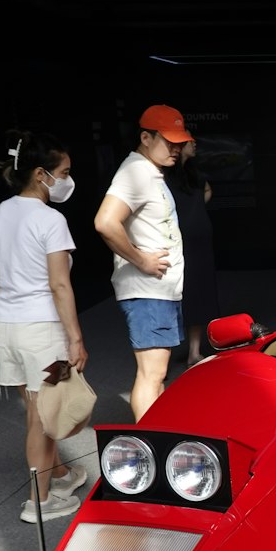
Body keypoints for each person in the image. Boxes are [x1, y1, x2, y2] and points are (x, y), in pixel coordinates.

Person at [0, 130, 89, 524]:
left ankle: (60, 474)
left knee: (37, 406)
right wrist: (75, 338)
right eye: (63, 171)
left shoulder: (0, 213)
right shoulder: (51, 219)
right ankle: (39, 501)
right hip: (44, 334)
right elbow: (59, 284)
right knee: (42, 417)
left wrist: (6, 316)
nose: (67, 178)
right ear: (42, 173)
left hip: (8, 329)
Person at [94, 104, 190, 420]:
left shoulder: (149, 171)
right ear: (146, 138)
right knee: (152, 374)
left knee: (157, 374)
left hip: (159, 291)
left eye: (180, 142)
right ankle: (149, 445)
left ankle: (156, 438)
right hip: (149, 291)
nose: (176, 149)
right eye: (169, 141)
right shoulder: (135, 171)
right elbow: (106, 222)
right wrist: (141, 261)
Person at [168, 133, 219, 365]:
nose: (195, 143)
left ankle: (194, 352)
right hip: (175, 242)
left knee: (198, 293)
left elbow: (207, 190)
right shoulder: (164, 174)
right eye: (190, 141)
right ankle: (162, 355)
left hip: (199, 242)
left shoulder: (194, 172)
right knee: (173, 295)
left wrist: (196, 211)